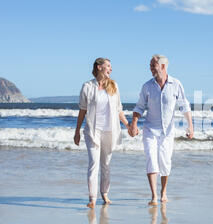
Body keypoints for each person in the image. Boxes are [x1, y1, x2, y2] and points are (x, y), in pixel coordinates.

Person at [130, 54, 194, 206]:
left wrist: (190, 126)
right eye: (150, 65)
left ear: (163, 66)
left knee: (165, 162)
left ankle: (163, 192)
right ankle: (153, 196)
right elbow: (139, 107)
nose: (150, 68)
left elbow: (184, 106)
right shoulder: (147, 86)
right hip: (150, 130)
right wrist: (134, 123)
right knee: (151, 160)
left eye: (153, 65)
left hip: (167, 132)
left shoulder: (176, 84)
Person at [74, 57, 130, 208]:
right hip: (93, 131)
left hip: (109, 131)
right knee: (93, 163)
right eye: (108, 66)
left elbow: (119, 110)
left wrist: (128, 125)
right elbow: (82, 110)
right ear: (99, 67)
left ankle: (104, 193)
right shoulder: (87, 87)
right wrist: (77, 131)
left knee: (106, 164)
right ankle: (92, 198)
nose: (110, 69)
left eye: (111, 67)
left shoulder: (114, 86)